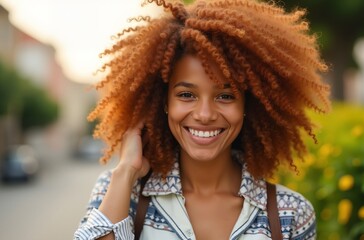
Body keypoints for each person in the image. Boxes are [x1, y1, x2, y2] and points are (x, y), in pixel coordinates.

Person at [74, 0, 330, 239]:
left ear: (247, 106)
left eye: (225, 96)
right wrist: (126, 170)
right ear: (164, 102)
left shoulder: (291, 215)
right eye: (186, 95)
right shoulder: (119, 191)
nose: (205, 115)